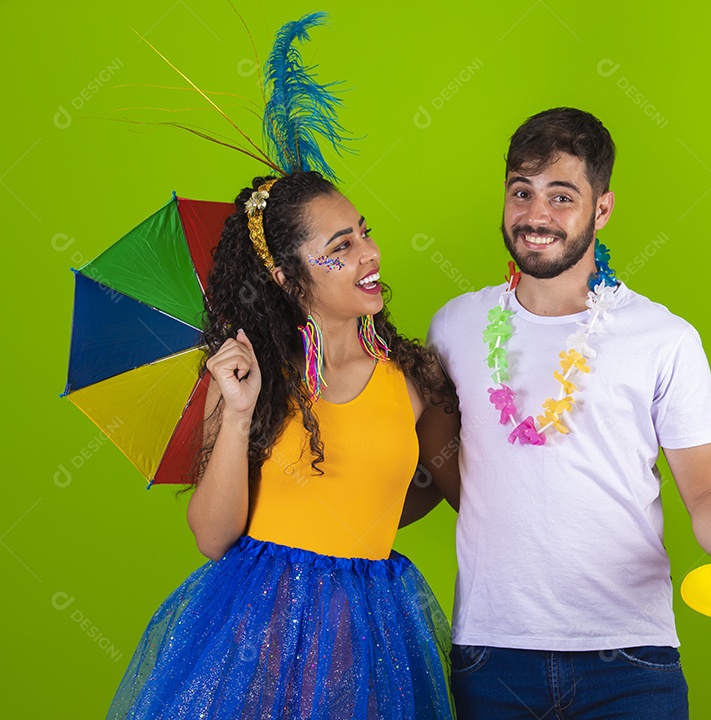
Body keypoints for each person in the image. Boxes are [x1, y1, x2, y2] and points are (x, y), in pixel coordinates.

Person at [426, 107, 711, 719]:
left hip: (630, 659)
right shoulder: (454, 326)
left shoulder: (663, 337)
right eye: (520, 192)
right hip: (493, 655)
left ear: (601, 210)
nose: (535, 216)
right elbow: (439, 466)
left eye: (561, 196)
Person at [108, 171, 459, 719]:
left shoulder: (416, 379)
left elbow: (442, 484)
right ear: (287, 278)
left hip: (369, 636)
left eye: (364, 233)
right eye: (340, 247)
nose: (369, 254)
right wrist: (239, 412)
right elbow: (211, 534)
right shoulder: (249, 380)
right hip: (256, 634)